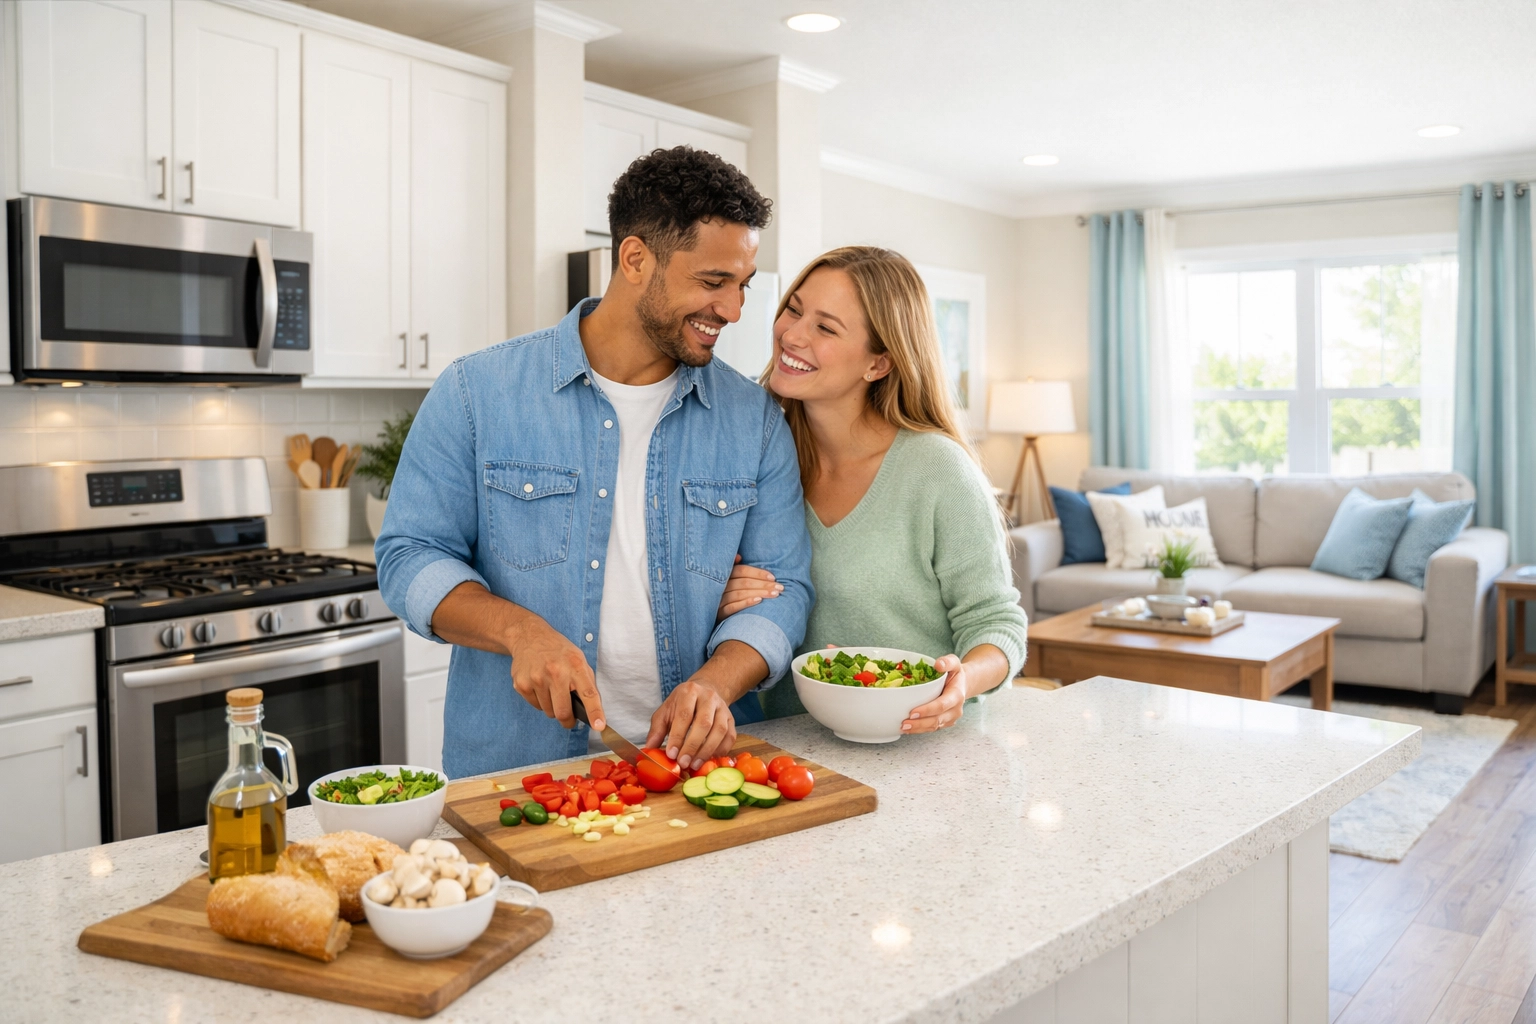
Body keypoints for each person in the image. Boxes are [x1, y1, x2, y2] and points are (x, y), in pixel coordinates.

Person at [377, 147, 813, 777]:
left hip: (693, 770)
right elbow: (409, 554)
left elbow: (785, 586)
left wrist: (717, 683)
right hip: (516, 771)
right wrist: (518, 631)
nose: (734, 311)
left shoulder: (754, 419)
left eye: (742, 286)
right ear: (635, 259)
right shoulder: (478, 391)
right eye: (713, 282)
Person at [718, 246, 1027, 732]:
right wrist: (716, 593)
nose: (792, 335)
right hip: (795, 750)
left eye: (826, 327)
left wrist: (962, 680)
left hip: (919, 744)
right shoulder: (758, 457)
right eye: (794, 309)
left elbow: (996, 623)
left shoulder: (937, 470)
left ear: (878, 364)